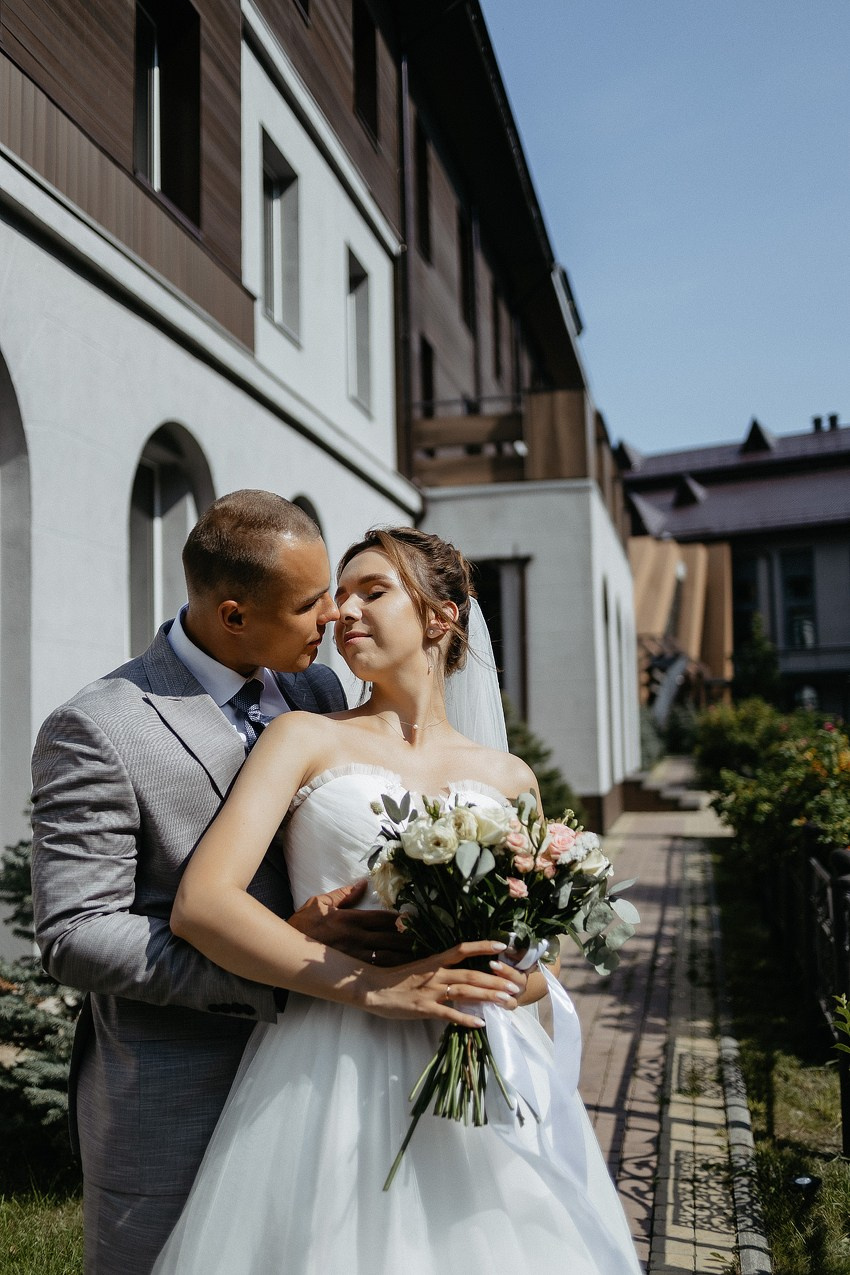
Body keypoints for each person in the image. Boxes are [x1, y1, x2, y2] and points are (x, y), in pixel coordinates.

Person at [30, 494, 523, 1275]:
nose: (332, 616)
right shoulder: (99, 726)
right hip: (179, 1079)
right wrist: (289, 961)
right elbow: (74, 934)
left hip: (347, 1076)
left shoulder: (317, 696)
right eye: (311, 602)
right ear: (233, 615)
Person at [152, 527, 643, 1275]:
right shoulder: (302, 737)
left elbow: (539, 966)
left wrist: (500, 974)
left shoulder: (511, 779)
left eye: (370, 591)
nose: (340, 611)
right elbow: (204, 903)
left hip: (484, 1069)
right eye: (337, 596)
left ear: (440, 618)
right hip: (332, 1063)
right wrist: (380, 985)